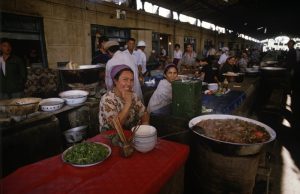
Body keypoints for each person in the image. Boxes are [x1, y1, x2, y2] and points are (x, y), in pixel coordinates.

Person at [99, 64, 149, 132]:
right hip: (112, 136)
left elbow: (144, 113)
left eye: (131, 80)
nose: (129, 83)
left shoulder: (133, 95)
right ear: (115, 81)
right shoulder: (107, 99)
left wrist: (145, 125)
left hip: (131, 134)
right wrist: (128, 103)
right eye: (125, 79)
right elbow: (116, 126)